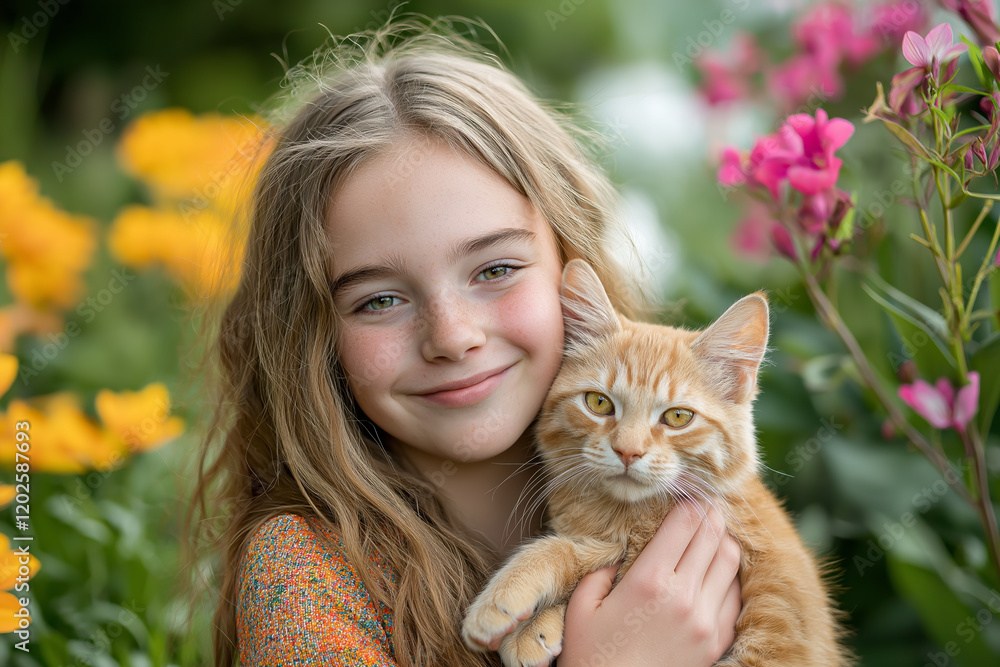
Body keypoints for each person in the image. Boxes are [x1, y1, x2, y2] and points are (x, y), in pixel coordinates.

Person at [184, 14, 742, 667]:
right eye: (380, 300)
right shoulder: (303, 570)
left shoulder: (685, 505)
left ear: (573, 262)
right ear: (311, 337)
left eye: (496, 269)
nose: (451, 336)